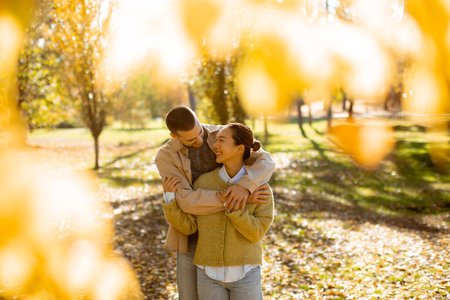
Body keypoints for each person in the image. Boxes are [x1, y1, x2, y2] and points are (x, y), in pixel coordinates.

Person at [155, 106, 275, 299]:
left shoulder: (220, 134)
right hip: (192, 234)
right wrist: (235, 200)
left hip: (231, 234)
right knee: (189, 296)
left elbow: (266, 161)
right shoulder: (165, 157)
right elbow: (187, 202)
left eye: (200, 133)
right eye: (191, 139)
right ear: (174, 136)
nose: (200, 140)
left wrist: (243, 188)